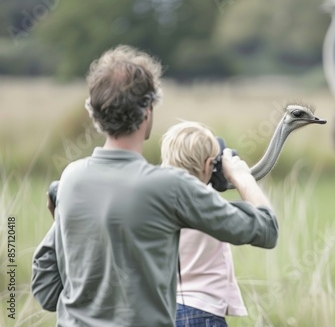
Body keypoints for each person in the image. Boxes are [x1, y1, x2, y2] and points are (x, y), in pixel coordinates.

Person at [31, 45, 278, 327]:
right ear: (147, 110)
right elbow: (266, 230)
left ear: (95, 112)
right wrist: (240, 175)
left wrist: (62, 219)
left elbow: (46, 292)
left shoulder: (71, 180)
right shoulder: (170, 187)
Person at [160, 121, 249, 326]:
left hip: (165, 309)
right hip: (202, 310)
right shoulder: (209, 203)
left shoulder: (158, 202)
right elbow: (261, 224)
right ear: (209, 166)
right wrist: (234, 174)